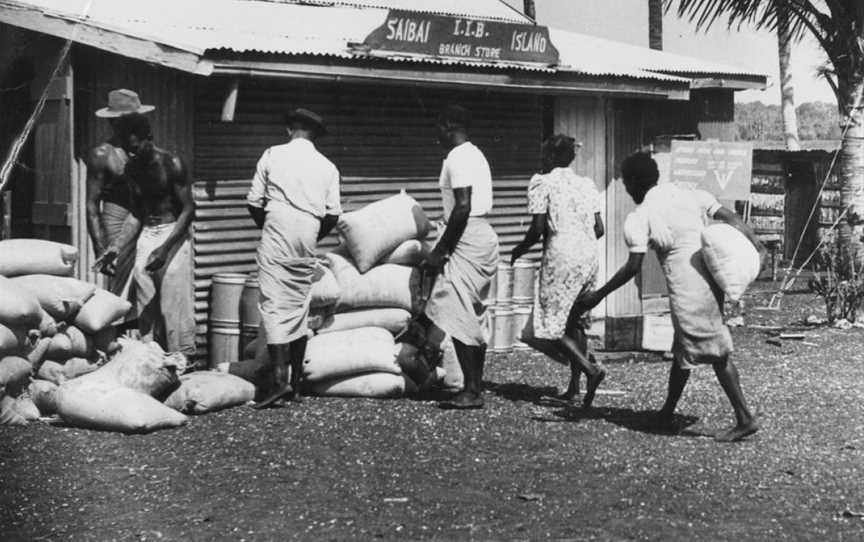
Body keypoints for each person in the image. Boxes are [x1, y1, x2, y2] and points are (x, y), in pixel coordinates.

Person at [574, 152, 762, 442]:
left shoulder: (641, 216)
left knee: (716, 351)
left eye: (626, 184)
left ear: (634, 183)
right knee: (683, 348)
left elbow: (632, 268)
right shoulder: (685, 193)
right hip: (708, 279)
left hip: (687, 289)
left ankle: (745, 417)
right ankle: (666, 412)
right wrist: (755, 242)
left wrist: (598, 295)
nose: (627, 190)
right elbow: (729, 216)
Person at [246, 108, 341, 408]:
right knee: (300, 304)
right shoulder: (328, 166)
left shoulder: (273, 154)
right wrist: (312, 235)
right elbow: (334, 214)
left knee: (273, 303)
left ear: (290, 129)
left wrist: (271, 228)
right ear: (314, 135)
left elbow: (253, 201)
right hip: (308, 230)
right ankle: (297, 385)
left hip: (278, 225)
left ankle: (278, 381)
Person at [510, 135, 607, 407]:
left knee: (551, 324)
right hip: (589, 255)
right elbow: (599, 229)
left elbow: (538, 228)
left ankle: (591, 369)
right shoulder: (586, 184)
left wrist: (518, 249)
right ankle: (575, 388)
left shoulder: (542, 182)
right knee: (575, 321)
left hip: (561, 255)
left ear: (550, 157)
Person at [95, 113, 196, 357]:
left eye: (136, 147)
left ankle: (183, 358)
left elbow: (189, 208)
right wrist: (115, 248)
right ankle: (151, 357)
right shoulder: (131, 169)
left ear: (147, 138)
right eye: (128, 149)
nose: (132, 153)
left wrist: (165, 249)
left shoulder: (172, 163)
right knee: (144, 302)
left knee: (174, 304)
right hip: (147, 235)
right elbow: (137, 214)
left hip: (173, 233)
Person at [420, 104, 499, 410]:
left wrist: (440, 251)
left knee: (456, 309)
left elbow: (462, 206)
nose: (437, 135)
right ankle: (474, 386)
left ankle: (472, 389)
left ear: (449, 125)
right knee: (472, 313)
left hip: (467, 235)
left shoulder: (458, 157)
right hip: (482, 235)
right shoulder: (476, 154)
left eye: (439, 128)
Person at [86, 89, 154, 297]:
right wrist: (100, 249)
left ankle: (144, 329)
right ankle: (120, 329)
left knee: (147, 278)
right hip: (117, 217)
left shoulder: (144, 148)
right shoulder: (103, 154)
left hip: (145, 216)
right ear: (114, 123)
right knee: (121, 283)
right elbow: (91, 204)